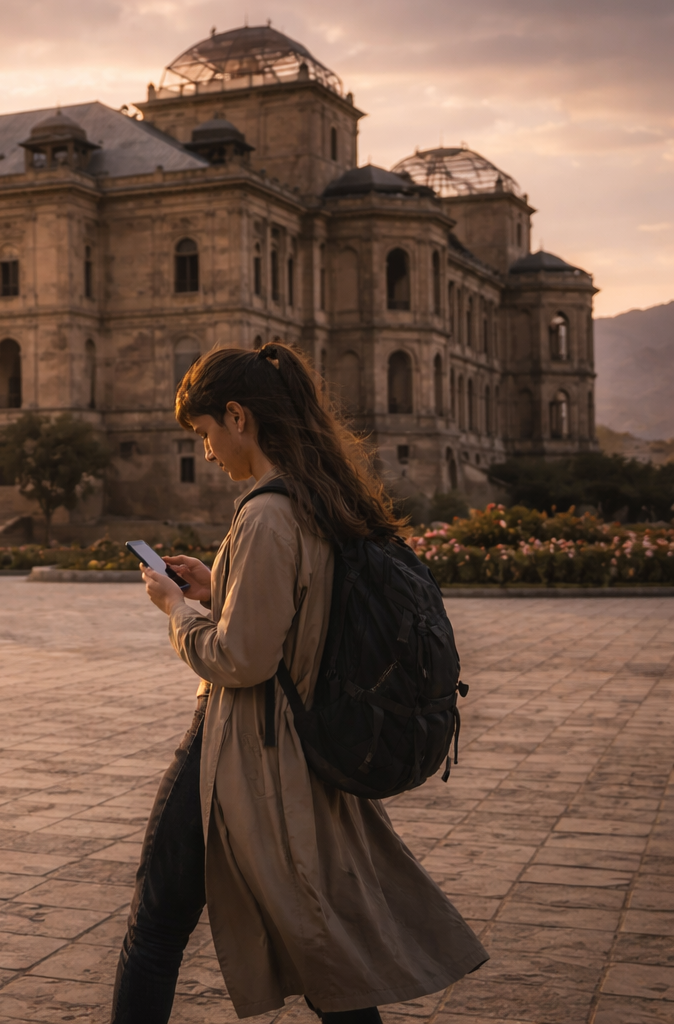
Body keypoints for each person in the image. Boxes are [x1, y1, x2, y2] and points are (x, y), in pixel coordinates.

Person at [112, 344, 487, 1023]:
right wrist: (217, 585)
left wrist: (177, 609)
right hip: (298, 750)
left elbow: (241, 660)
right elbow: (301, 612)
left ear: (237, 416)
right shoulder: (320, 498)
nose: (207, 453)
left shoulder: (264, 514)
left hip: (243, 750)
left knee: (159, 927)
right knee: (318, 940)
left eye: (205, 435)